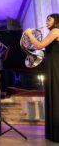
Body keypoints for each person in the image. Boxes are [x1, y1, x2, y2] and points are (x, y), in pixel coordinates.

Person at [25, 13, 59, 142]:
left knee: (55, 97)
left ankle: (56, 133)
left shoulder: (56, 30)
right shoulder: (53, 32)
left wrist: (29, 34)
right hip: (53, 67)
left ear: (56, 20)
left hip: (56, 68)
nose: (46, 22)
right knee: (53, 96)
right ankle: (53, 133)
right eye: (46, 20)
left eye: (49, 19)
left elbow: (39, 46)